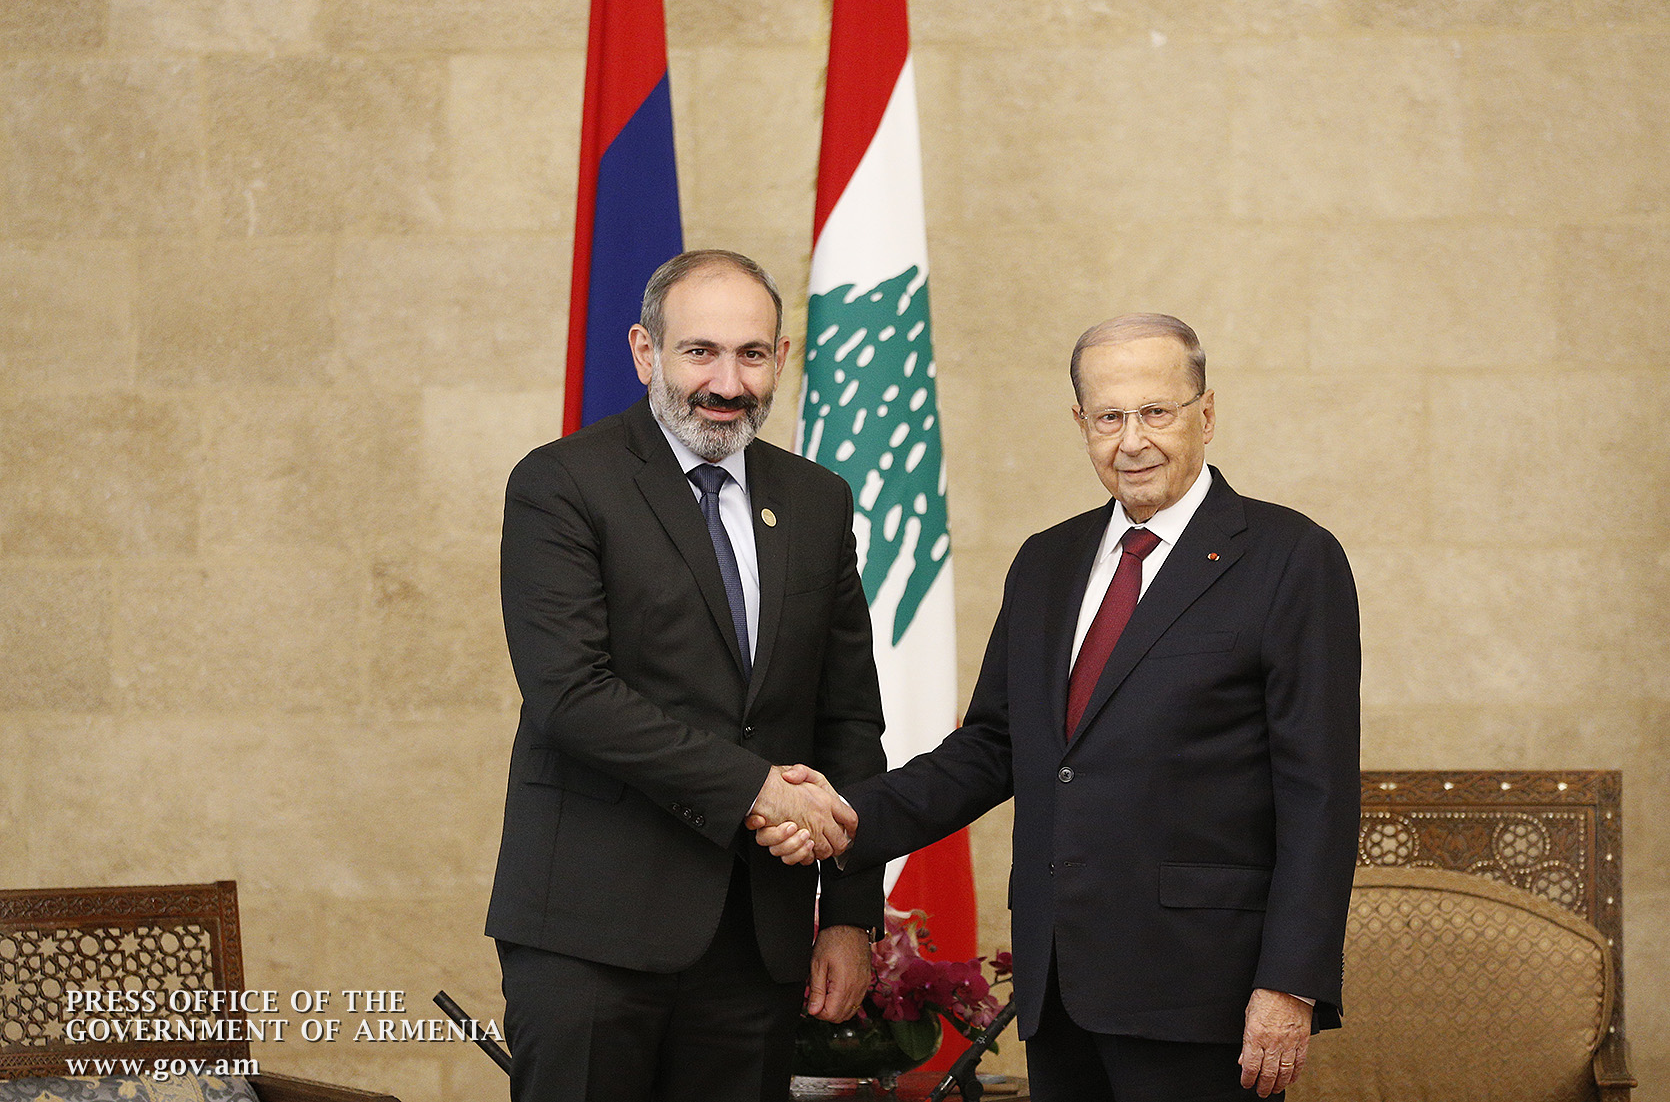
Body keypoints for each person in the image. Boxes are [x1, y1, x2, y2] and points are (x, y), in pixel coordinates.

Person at [758, 313, 1360, 1101]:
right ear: (1081, 423)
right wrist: (844, 815)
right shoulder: (1047, 561)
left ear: (1206, 414)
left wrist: (1290, 982)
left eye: (1156, 411)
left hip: (1202, 994)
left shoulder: (1291, 558)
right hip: (1060, 990)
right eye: (1109, 417)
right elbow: (992, 747)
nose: (1133, 440)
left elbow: (1320, 793)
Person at [488, 249, 887, 1102]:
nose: (727, 383)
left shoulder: (817, 501)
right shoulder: (561, 484)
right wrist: (757, 790)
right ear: (645, 352)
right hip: (590, 934)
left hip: (756, 940)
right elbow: (571, 694)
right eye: (700, 351)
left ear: (782, 358)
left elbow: (849, 718)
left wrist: (851, 914)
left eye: (751, 354)